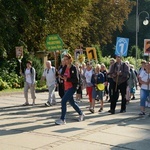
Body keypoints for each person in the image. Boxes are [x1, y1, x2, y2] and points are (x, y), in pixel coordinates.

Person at [55, 54, 84, 125]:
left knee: (63, 101)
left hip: (72, 87)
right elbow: (62, 75)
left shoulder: (74, 68)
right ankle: (81, 113)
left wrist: (67, 79)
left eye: (66, 59)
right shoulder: (64, 67)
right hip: (66, 87)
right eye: (64, 59)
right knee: (72, 103)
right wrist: (59, 75)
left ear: (70, 60)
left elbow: (76, 80)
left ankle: (62, 119)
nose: (64, 61)